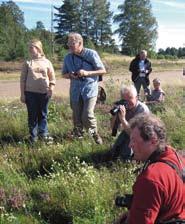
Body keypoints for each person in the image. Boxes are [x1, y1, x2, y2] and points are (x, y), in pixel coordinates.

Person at [114, 113, 185, 224]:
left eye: (134, 140)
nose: (130, 145)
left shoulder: (151, 179)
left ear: (153, 141)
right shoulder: (175, 157)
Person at [62, 32, 106, 144]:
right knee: (76, 116)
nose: (70, 46)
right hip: (75, 91)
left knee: (87, 115)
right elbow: (64, 74)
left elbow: (102, 70)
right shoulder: (67, 58)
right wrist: (70, 75)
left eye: (72, 43)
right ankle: (79, 136)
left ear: (80, 43)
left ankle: (94, 135)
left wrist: (86, 73)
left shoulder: (91, 54)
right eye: (68, 44)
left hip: (89, 90)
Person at [20, 39, 56, 143]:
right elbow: (22, 80)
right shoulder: (27, 63)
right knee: (32, 115)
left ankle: (43, 135)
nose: (30, 49)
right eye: (29, 47)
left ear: (38, 48)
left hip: (44, 93)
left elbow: (52, 78)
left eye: (32, 47)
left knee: (43, 114)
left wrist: (51, 89)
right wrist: (22, 94)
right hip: (30, 94)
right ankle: (33, 137)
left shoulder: (47, 62)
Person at [104, 84, 149, 161]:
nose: (127, 103)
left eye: (130, 98)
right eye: (125, 100)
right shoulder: (123, 107)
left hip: (143, 136)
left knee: (125, 155)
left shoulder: (142, 109)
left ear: (137, 98)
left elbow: (135, 134)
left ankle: (130, 160)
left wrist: (123, 119)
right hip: (128, 131)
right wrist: (114, 116)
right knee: (114, 151)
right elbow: (113, 129)